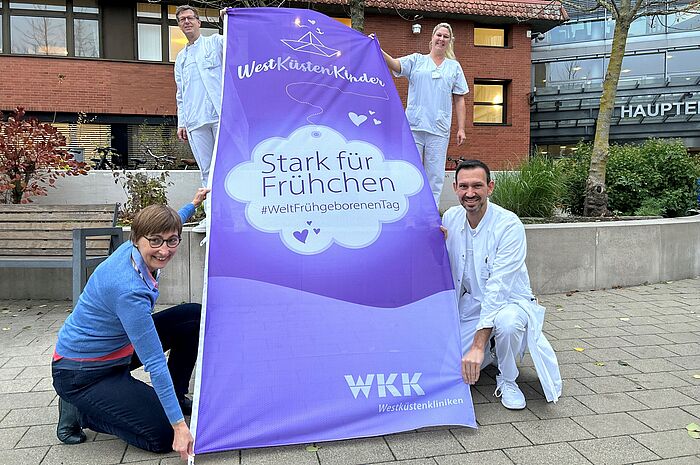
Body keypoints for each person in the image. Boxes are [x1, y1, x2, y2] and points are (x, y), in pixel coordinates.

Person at [52, 188, 209, 461]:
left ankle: (176, 394)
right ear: (136, 239)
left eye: (173, 241)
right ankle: (81, 410)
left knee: (192, 317)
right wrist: (179, 426)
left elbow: (172, 223)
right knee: (162, 435)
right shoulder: (128, 290)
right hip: (83, 372)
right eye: (156, 241)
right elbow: (155, 362)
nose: (164, 250)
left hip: (117, 348)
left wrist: (193, 204)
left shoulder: (135, 247)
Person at [441, 160, 561, 409]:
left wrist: (477, 345)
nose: (470, 193)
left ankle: (507, 379)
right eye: (463, 186)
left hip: (509, 302)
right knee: (447, 368)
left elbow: (497, 288)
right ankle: (492, 351)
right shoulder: (451, 218)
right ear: (454, 188)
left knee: (506, 324)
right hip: (472, 304)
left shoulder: (509, 225)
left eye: (477, 185)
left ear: (490, 187)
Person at [373, 23, 468, 208]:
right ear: (431, 38)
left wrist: (462, 128)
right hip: (414, 127)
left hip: (438, 129)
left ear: (450, 41)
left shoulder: (454, 68)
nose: (441, 39)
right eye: (438, 35)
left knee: (435, 175)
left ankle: (431, 215)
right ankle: (410, 211)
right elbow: (395, 64)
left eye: (445, 37)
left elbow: (459, 99)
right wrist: (377, 47)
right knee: (411, 170)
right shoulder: (416, 61)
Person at [174, 4, 225, 234]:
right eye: (182, 19)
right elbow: (180, 93)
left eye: (190, 18)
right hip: (195, 122)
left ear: (198, 22)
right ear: (179, 25)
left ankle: (228, 216)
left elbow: (236, 43)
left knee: (224, 166)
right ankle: (210, 217)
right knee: (206, 170)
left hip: (219, 116)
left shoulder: (215, 43)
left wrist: (228, 19)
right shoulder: (181, 58)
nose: (186, 22)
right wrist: (181, 122)